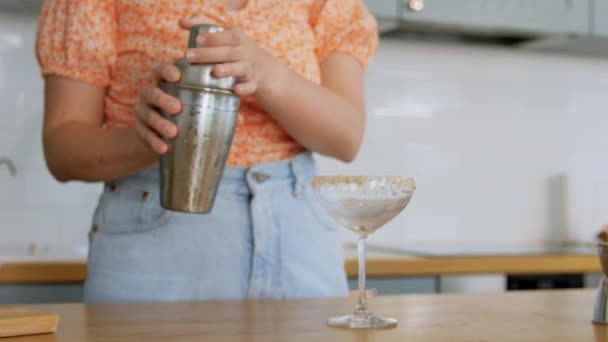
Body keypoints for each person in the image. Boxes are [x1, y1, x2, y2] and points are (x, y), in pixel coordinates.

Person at [36, 0, 378, 303]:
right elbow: (62, 151)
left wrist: (271, 75)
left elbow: (346, 137)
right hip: (155, 246)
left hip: (299, 241)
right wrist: (150, 137)